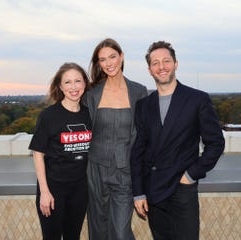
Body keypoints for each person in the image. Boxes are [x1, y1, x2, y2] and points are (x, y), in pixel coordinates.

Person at [130, 41, 225, 240]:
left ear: (176, 64)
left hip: (182, 189)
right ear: (149, 69)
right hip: (153, 190)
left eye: (166, 61)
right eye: (155, 63)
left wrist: (190, 175)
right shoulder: (144, 105)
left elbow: (215, 143)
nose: (161, 66)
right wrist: (138, 193)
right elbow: (138, 151)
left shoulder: (197, 99)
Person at [83, 38, 148, 240]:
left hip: (125, 172)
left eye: (112, 56)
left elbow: (145, 135)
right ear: (99, 64)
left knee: (120, 232)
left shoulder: (139, 92)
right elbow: (84, 133)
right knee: (98, 228)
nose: (109, 63)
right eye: (103, 59)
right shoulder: (92, 95)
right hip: (95, 171)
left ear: (121, 57)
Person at [28, 62, 91, 240]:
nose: (73, 87)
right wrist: (45, 192)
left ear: (85, 84)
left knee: (73, 237)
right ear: (60, 86)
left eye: (77, 81)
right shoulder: (49, 116)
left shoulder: (89, 114)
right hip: (53, 188)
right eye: (68, 82)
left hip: (80, 189)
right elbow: (37, 153)